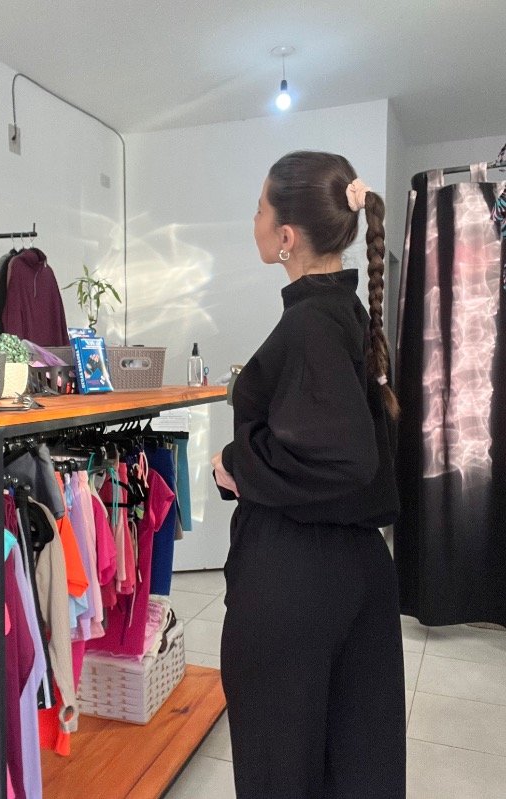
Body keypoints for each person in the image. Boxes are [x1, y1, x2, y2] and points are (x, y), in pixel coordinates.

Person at [211, 151, 406, 799]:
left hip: (296, 579)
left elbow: (344, 456)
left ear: (286, 237)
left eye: (259, 209)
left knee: (281, 769)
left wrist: (237, 463)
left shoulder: (311, 323)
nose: (255, 221)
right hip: (354, 569)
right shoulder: (347, 313)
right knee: (354, 765)